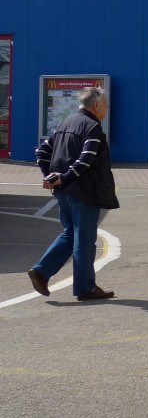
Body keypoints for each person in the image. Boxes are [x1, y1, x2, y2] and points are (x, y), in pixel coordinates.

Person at [27, 86, 120, 300]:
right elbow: (85, 160)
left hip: (64, 192)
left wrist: (51, 177)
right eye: (105, 103)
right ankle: (85, 288)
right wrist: (63, 177)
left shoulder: (66, 122)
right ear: (96, 105)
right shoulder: (92, 127)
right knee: (85, 241)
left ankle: (41, 271)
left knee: (70, 234)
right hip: (84, 192)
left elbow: (41, 151)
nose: (107, 107)